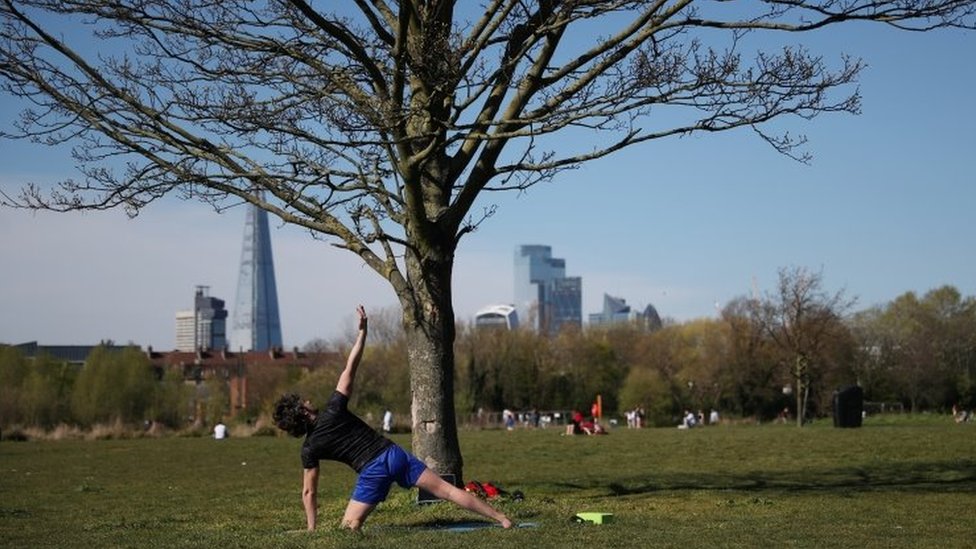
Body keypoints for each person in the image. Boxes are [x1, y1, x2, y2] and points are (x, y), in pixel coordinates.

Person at [273, 305, 511, 531]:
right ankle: (501, 518)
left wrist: (312, 529)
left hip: (372, 471)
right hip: (392, 454)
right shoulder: (334, 408)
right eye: (301, 402)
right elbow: (350, 367)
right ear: (302, 412)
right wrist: (363, 332)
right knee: (447, 491)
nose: (306, 401)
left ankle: (353, 526)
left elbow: (309, 493)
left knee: (347, 529)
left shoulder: (309, 448)